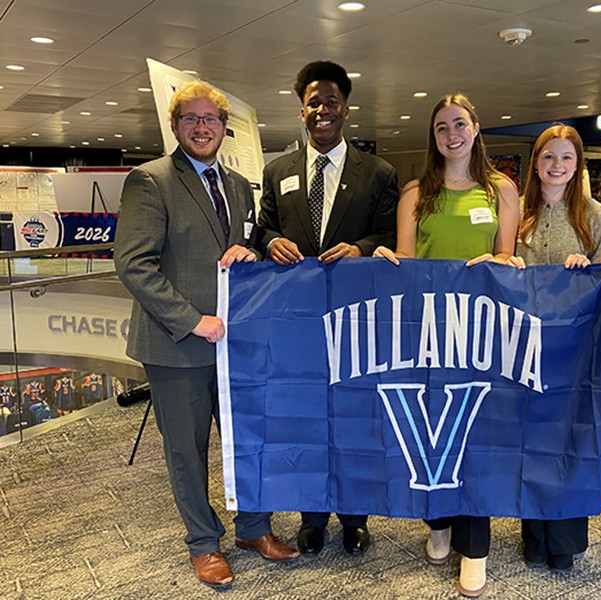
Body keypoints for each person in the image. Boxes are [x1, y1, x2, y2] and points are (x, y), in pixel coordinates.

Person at [115, 81, 299, 590]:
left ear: (224, 127)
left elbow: (243, 244)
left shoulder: (240, 185)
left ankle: (254, 529)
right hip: (177, 345)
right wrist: (193, 320)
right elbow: (133, 264)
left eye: (211, 120)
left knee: (246, 441)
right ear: (175, 126)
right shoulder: (149, 181)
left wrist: (254, 250)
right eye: (191, 119)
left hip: (235, 343)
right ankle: (203, 543)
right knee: (187, 449)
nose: (201, 128)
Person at [373, 93, 520, 598]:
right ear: (433, 137)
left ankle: (474, 547)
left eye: (460, 124)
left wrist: (505, 263)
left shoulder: (501, 190)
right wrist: (384, 259)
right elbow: (408, 263)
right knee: (432, 429)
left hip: (481, 330)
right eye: (441, 127)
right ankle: (438, 522)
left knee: (475, 434)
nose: (451, 133)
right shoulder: (417, 192)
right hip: (428, 333)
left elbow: (506, 256)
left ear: (476, 128)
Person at [255, 60, 398, 556]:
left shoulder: (378, 173)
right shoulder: (277, 172)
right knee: (306, 416)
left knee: (355, 414)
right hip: (298, 323)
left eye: (331, 102)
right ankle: (312, 517)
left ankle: (355, 518)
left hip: (356, 319)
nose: (322, 111)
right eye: (313, 103)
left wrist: (360, 248)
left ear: (345, 110)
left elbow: (389, 236)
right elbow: (261, 232)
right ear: (301, 111)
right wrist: (271, 241)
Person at [515, 124, 601, 571]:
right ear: (536, 163)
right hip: (524, 346)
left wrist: (589, 266)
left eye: (566, 158)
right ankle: (534, 534)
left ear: (578, 165)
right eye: (549, 157)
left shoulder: (594, 215)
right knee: (530, 440)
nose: (557, 165)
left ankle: (566, 541)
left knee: (569, 441)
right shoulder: (517, 212)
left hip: (573, 350)